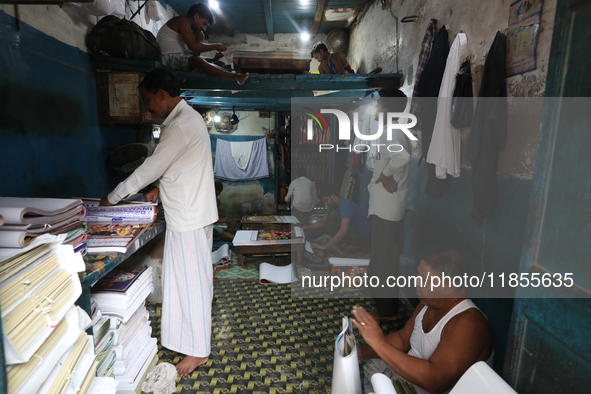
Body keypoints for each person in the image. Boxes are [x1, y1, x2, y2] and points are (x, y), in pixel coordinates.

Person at [100, 68, 218, 376]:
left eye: (149, 99)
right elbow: (181, 167)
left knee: (191, 286)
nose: (148, 106)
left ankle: (197, 353)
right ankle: (189, 342)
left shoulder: (180, 125)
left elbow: (150, 167)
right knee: (185, 283)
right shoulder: (186, 120)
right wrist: (157, 188)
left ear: (163, 95)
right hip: (191, 214)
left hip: (189, 217)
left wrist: (112, 198)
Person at [352, 250, 494, 394]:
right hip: (411, 381)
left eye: (424, 278)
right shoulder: (428, 303)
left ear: (449, 287)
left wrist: (378, 342)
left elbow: (435, 382)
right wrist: (361, 351)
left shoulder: (469, 324)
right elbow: (402, 339)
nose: (416, 282)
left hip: (428, 387)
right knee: (373, 364)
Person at [366, 87, 412, 319]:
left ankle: (386, 311)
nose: (375, 108)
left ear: (386, 108)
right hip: (390, 206)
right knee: (384, 257)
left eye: (378, 104)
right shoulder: (397, 129)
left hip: (386, 207)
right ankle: (381, 302)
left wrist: (386, 174)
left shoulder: (391, 131)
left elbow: (402, 157)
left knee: (385, 260)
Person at [157, 3, 249, 84]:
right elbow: (194, 47)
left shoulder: (195, 32)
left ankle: (232, 75)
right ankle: (233, 76)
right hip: (166, 58)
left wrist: (213, 59)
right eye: (204, 23)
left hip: (176, 59)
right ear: (196, 16)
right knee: (198, 61)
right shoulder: (182, 20)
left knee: (209, 63)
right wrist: (216, 46)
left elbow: (193, 58)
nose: (204, 29)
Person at [302, 185, 370, 252]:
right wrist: (303, 228)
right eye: (324, 202)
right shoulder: (332, 206)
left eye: (326, 201)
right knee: (326, 227)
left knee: (334, 215)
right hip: (350, 232)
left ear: (333, 196)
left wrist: (324, 247)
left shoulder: (345, 206)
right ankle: (305, 239)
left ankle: (343, 244)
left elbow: (343, 231)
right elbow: (322, 223)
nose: (326, 204)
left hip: (359, 237)